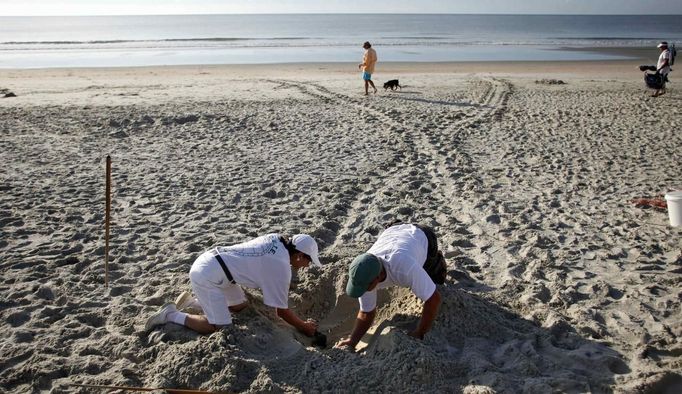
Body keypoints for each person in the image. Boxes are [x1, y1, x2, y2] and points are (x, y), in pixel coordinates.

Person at [145, 233, 322, 337]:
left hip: (216, 264)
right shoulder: (282, 268)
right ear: (299, 255)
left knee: (240, 307)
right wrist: (304, 327)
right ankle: (171, 315)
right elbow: (281, 312)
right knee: (217, 327)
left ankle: (193, 303)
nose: (308, 266)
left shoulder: (278, 239)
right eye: (309, 261)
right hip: (207, 275)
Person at [336, 223, 447, 350]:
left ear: (378, 277)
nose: (364, 291)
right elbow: (366, 312)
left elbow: (434, 299)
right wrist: (352, 341)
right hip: (393, 231)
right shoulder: (364, 270)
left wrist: (420, 332)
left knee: (437, 279)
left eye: (366, 287)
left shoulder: (405, 268)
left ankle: (437, 260)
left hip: (423, 236)